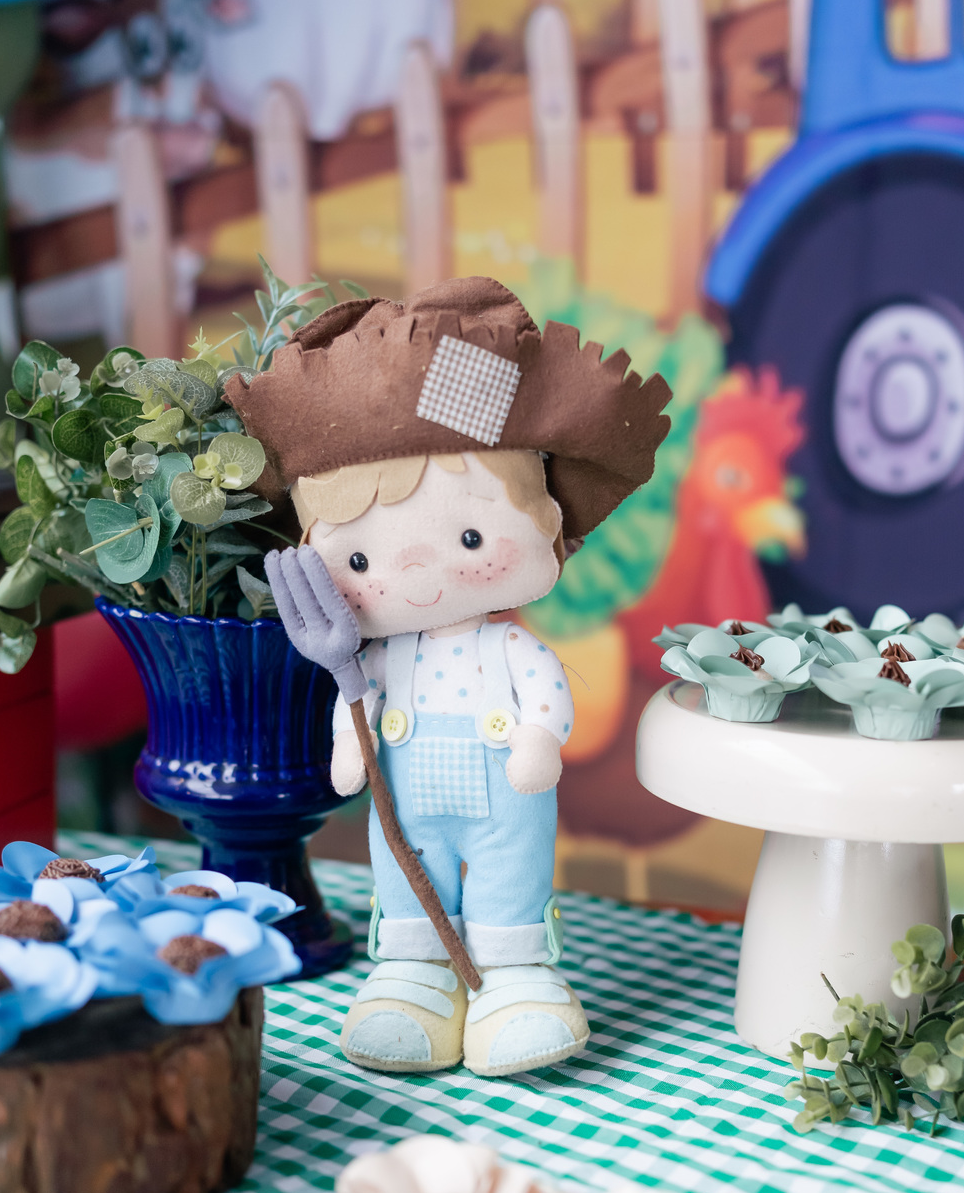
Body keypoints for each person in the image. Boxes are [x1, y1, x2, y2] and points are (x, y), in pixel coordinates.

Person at [236, 276, 670, 1078]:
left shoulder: (509, 650)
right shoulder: (368, 655)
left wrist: (538, 737)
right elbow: (357, 697)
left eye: (471, 537)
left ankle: (514, 978)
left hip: (507, 793)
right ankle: (416, 975)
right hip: (408, 803)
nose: (417, 574)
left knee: (511, 874)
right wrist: (348, 743)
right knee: (408, 874)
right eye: (358, 559)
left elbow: (545, 691)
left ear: (547, 524)